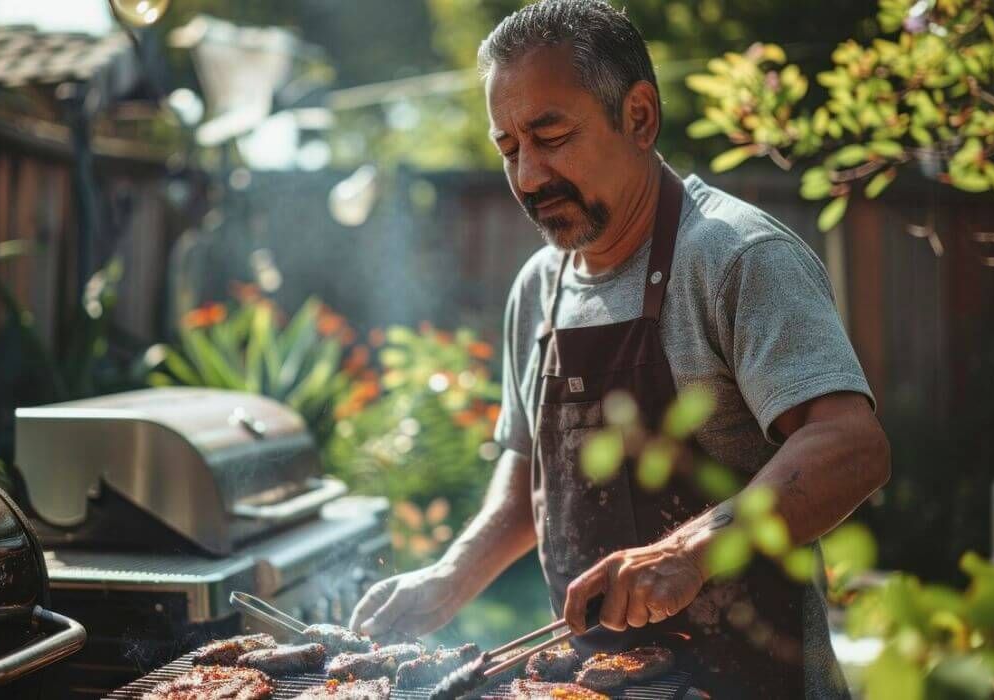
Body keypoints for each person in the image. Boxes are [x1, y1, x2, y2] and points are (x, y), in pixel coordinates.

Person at [349, 1, 889, 697]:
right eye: (509, 149)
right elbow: (530, 482)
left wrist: (686, 552)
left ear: (639, 116)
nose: (529, 177)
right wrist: (448, 578)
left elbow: (851, 445)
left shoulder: (735, 258)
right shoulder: (539, 287)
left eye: (551, 135)